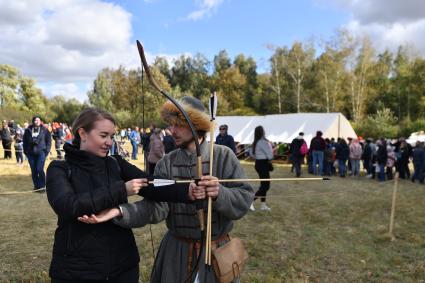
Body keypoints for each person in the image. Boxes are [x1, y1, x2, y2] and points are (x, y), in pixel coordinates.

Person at [78, 97, 254, 283]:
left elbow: (244, 199)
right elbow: (157, 208)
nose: (172, 130)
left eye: (178, 125)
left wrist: (219, 192)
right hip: (177, 252)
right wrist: (120, 211)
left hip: (217, 253)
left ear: (196, 125)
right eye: (171, 125)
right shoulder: (167, 162)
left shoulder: (223, 155)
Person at [46, 108, 201, 283]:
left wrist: (187, 190)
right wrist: (122, 190)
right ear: (82, 133)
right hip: (76, 270)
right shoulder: (59, 168)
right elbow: (68, 205)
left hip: (122, 265)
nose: (109, 142)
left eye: (112, 136)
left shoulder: (115, 163)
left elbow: (150, 183)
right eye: (103, 135)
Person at [23, 116, 51, 191]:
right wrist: (26, 151)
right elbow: (24, 142)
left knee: (39, 169)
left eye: (39, 120)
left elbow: (49, 141)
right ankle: (37, 186)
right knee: (34, 170)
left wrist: (46, 151)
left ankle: (43, 186)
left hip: (41, 152)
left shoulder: (45, 130)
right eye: (36, 120)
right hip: (30, 153)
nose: (37, 121)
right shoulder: (28, 130)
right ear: (33, 121)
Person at [250, 125, 273, 211]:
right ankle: (250, 201)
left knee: (264, 185)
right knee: (265, 186)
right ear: (262, 132)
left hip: (258, 164)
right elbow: (270, 155)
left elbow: (251, 154)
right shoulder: (263, 142)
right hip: (263, 164)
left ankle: (263, 205)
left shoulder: (255, 142)